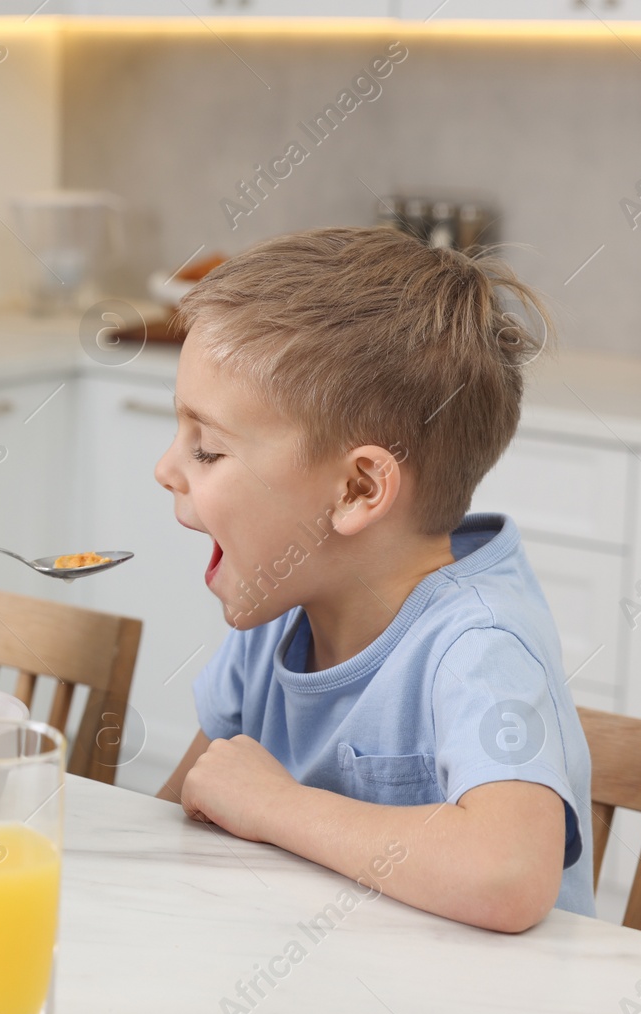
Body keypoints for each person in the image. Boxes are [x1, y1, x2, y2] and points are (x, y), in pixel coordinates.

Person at [155, 227, 594, 932]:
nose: (166, 469)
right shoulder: (281, 605)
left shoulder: (479, 642)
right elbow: (191, 810)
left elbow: (509, 872)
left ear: (359, 488)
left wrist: (276, 805)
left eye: (207, 448)